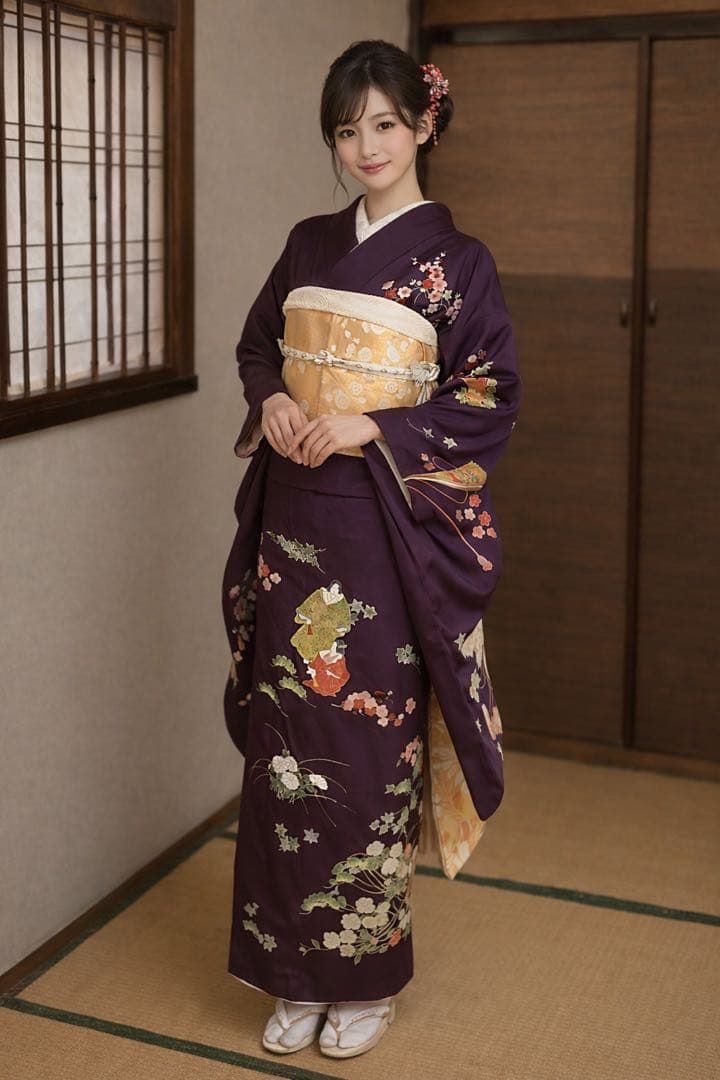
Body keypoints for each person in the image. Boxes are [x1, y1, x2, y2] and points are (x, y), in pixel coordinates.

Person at [220, 39, 522, 1059]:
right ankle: (288, 971)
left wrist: (372, 427)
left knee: (364, 745)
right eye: (348, 131)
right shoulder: (309, 243)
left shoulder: (461, 264)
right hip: (294, 525)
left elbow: (487, 394)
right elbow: (258, 345)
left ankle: (365, 978)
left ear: (424, 124)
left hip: (381, 530)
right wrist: (274, 400)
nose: (367, 147)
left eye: (385, 124)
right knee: (286, 751)